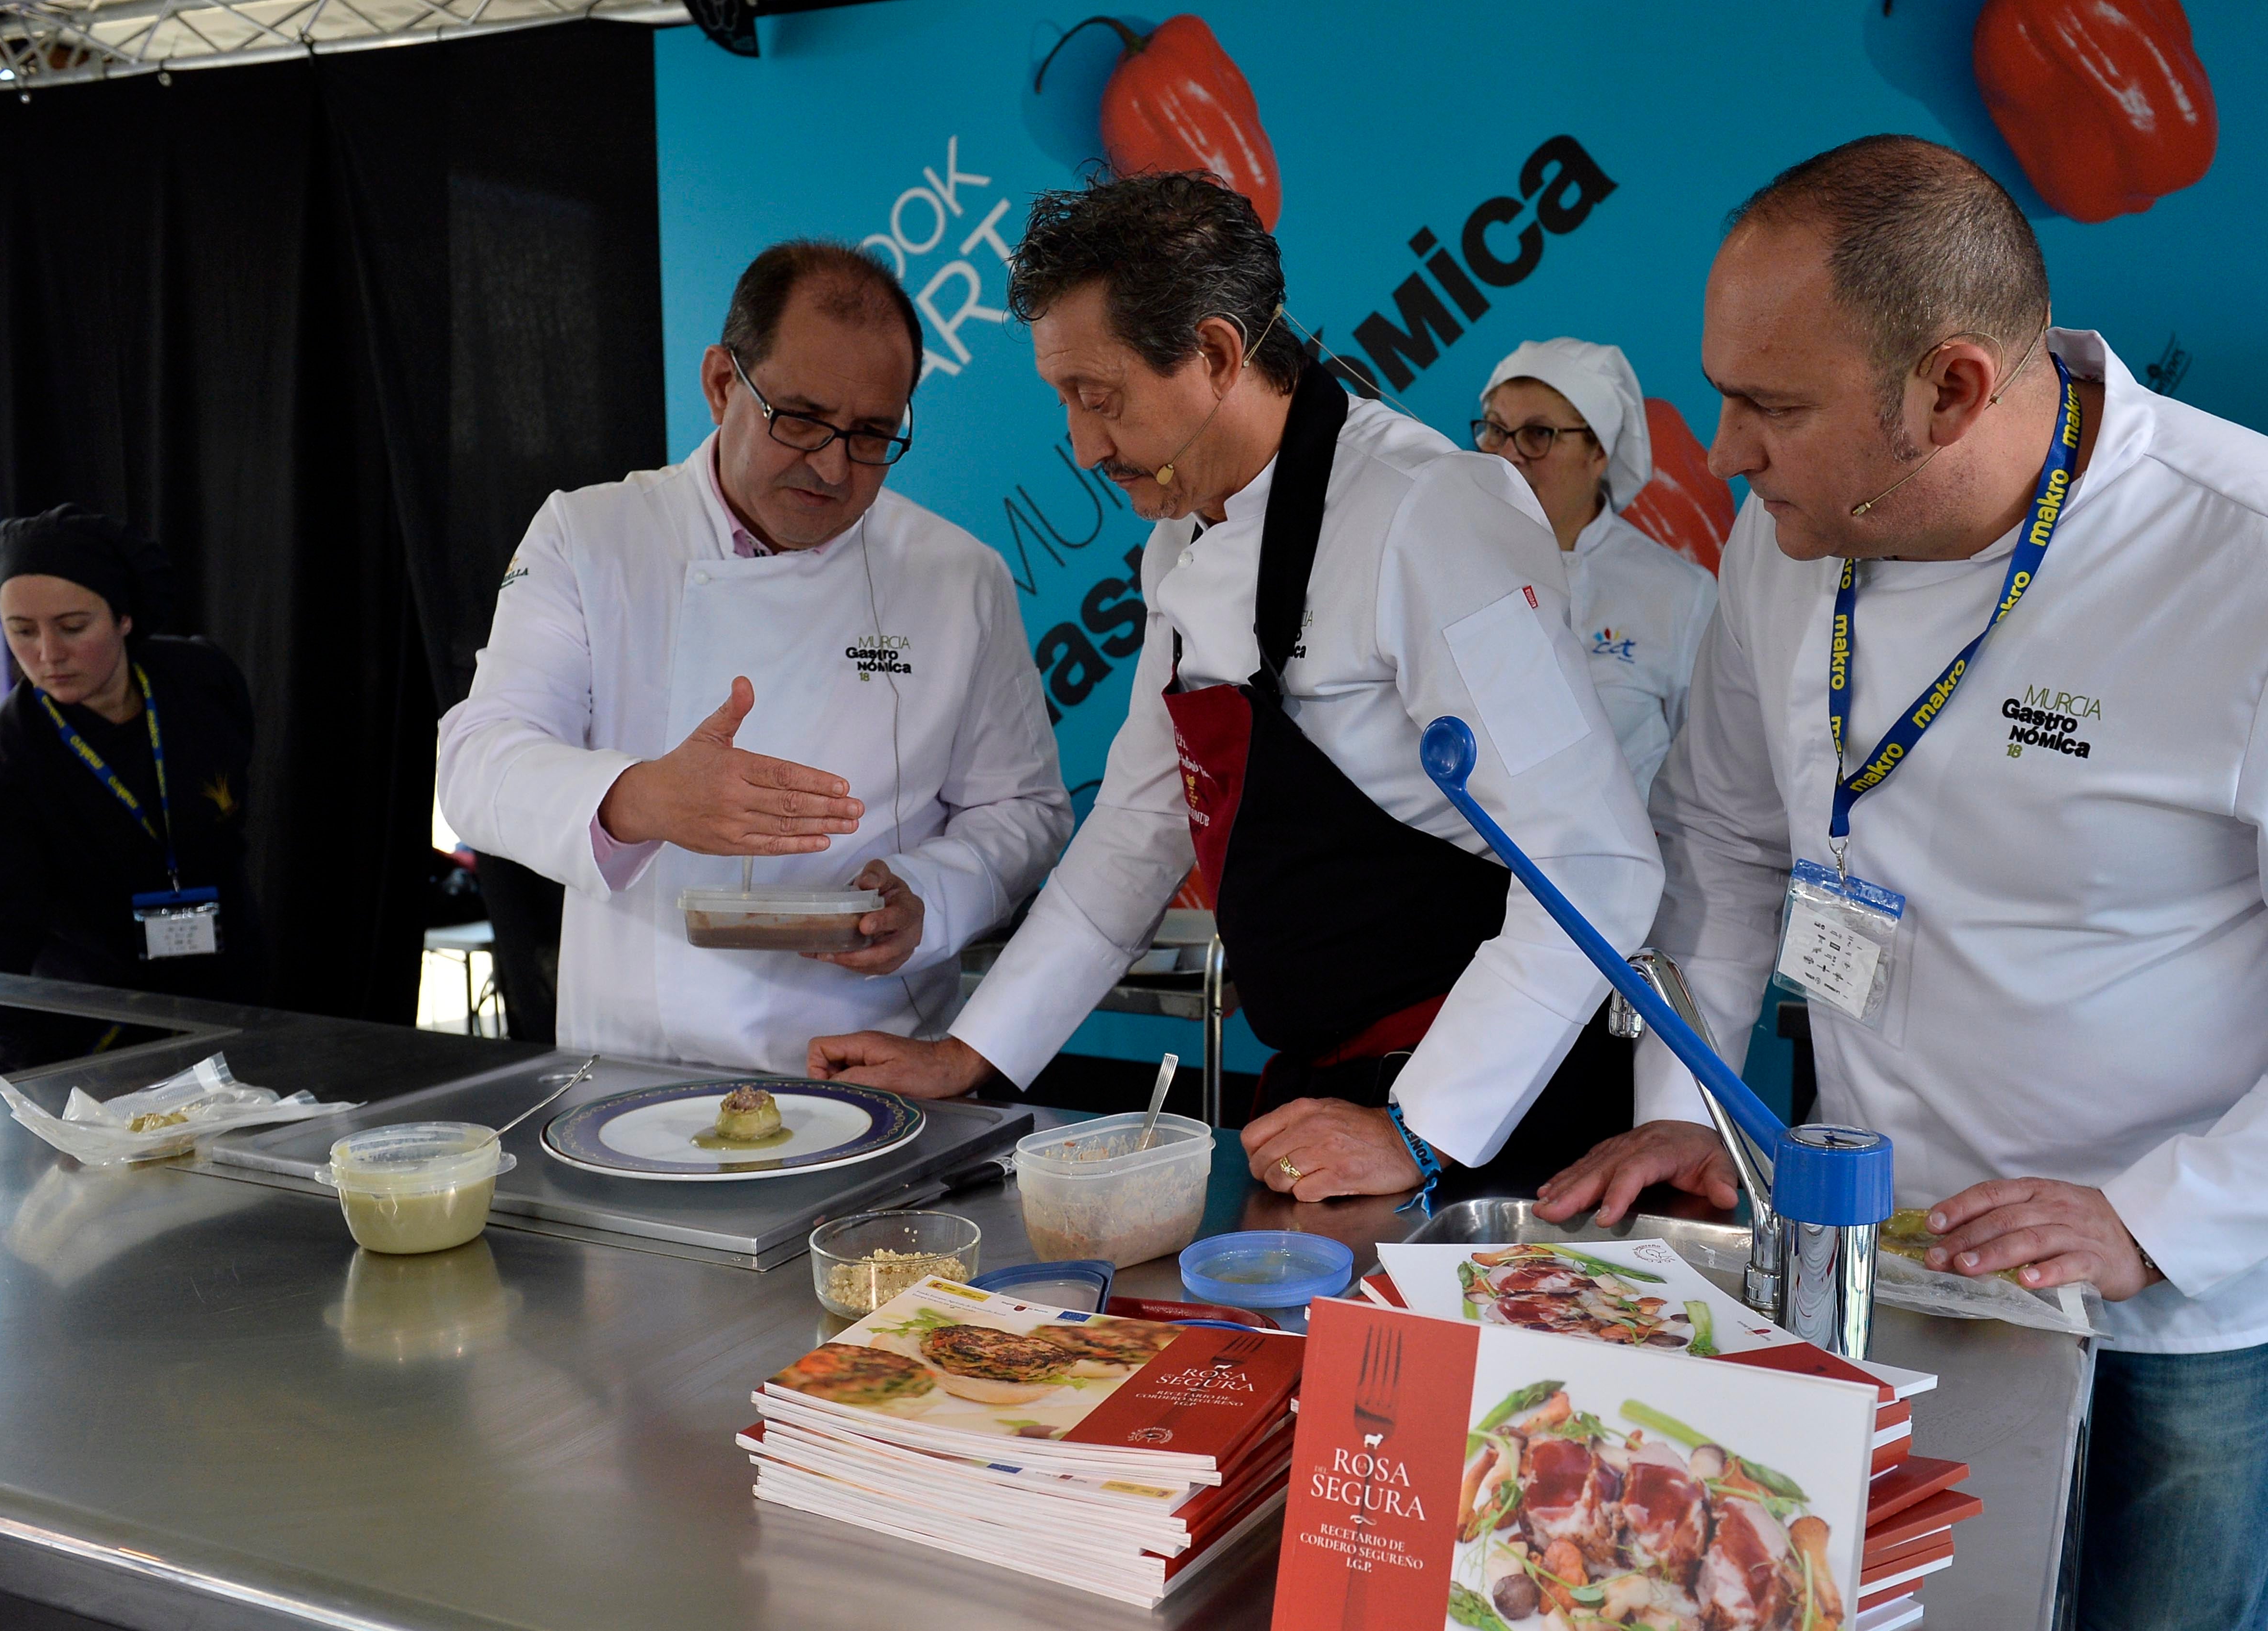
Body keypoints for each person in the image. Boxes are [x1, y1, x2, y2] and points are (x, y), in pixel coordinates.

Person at [1538, 137, 2268, 1631]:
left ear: (1949, 387)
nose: (1725, 453)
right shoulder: (1789, 541)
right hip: (1878, 1263)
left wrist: (2150, 1214)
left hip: (2177, 1295)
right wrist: (1681, 1106)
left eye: (1768, 404)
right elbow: (1715, 832)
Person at [810, 173, 1661, 1196]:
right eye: (1064, 398)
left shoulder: (1427, 514)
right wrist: (972, 1054)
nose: (1082, 445)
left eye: (1100, 395)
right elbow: (1137, 828)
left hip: (1493, 1118)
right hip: (1328, 1095)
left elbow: (1599, 863)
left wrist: (1423, 1126)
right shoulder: (1182, 536)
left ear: (1216, 355)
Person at [435, 241, 1070, 1071]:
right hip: (638, 1069)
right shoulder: (591, 538)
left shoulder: (957, 577)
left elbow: (1026, 811)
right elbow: (476, 765)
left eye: (873, 434)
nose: (834, 466)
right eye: (801, 420)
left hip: (875, 1064)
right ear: (722, 384)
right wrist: (641, 797)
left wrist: (932, 897)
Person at [0, 505, 269, 1004]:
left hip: (233, 990)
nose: (48, 655)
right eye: (22, 631)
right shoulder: (4, 764)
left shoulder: (203, 681)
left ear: (124, 617)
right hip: (91, 1024)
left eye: (72, 626)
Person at [1475, 340, 1715, 795]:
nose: (1508, 455)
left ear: (1598, 452)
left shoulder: (1679, 593)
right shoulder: (1446, 564)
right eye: (1496, 430)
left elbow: (1717, 773)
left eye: (1538, 434)